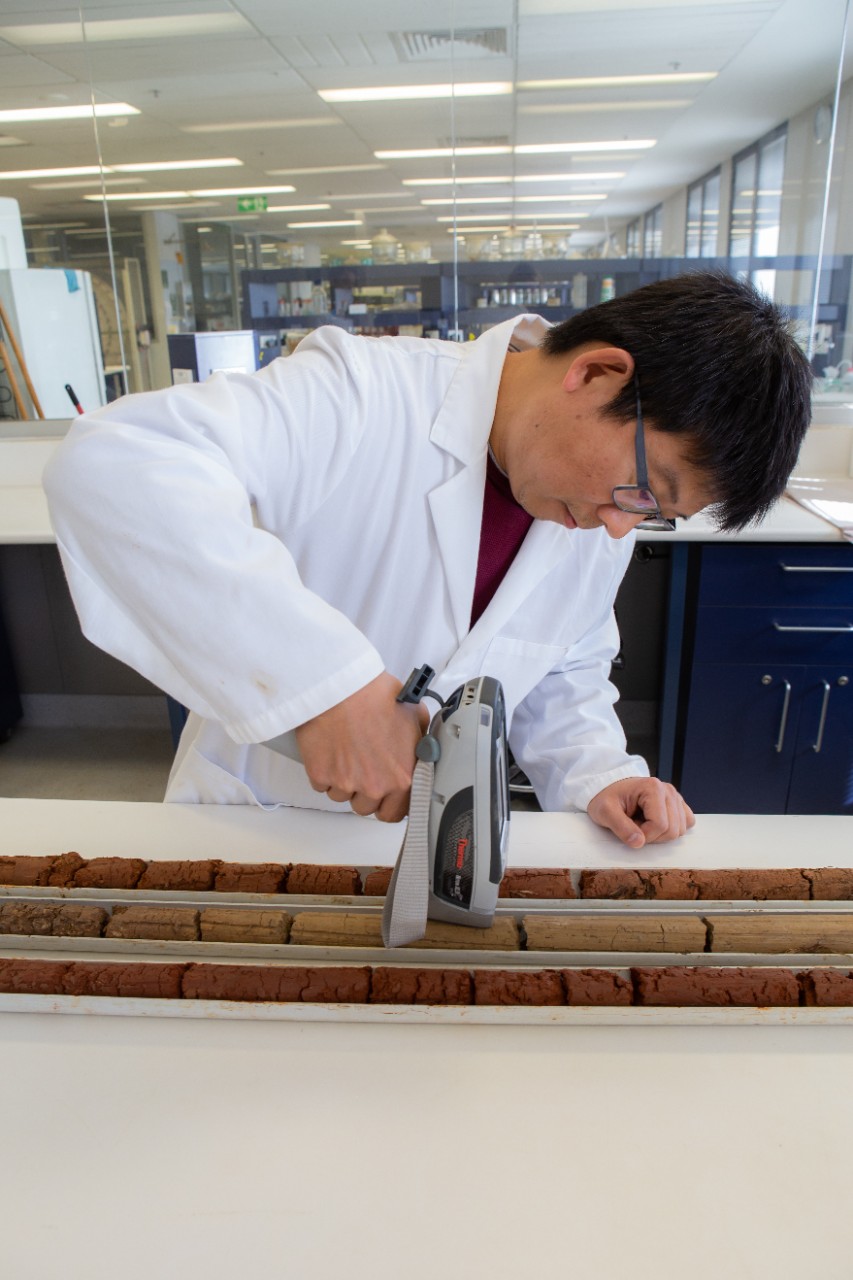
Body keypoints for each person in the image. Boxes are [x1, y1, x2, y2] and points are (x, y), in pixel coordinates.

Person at [43, 270, 812, 847]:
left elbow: (561, 664)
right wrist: (326, 689)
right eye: (646, 488)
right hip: (258, 827)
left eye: (654, 516)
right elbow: (119, 462)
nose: (619, 528)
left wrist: (600, 776)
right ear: (596, 375)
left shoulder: (594, 510)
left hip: (438, 846)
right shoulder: (359, 393)